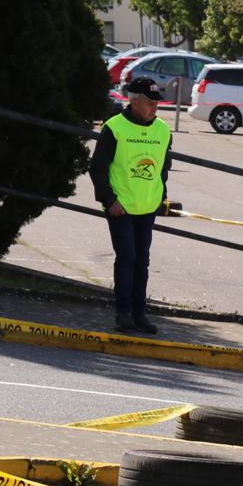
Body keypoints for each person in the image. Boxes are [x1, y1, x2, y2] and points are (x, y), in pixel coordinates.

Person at [89, 76, 172, 334]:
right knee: (127, 258)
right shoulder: (114, 128)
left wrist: (161, 196)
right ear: (133, 101)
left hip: (147, 207)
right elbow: (97, 168)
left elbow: (163, 168)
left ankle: (139, 314)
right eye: (149, 102)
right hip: (120, 207)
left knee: (142, 261)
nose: (154, 107)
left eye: (157, 102)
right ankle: (122, 313)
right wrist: (109, 200)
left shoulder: (163, 130)